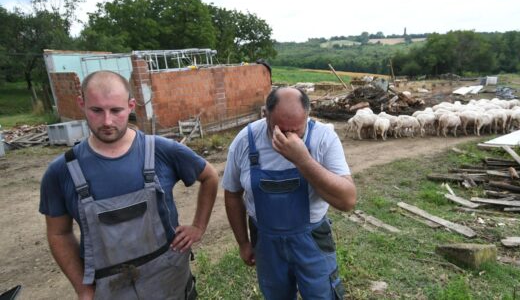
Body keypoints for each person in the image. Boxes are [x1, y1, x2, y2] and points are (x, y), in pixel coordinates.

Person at [39, 70, 218, 299]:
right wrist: (82, 288)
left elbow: (210, 176)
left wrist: (198, 227)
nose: (107, 121)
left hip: (169, 282)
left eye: (116, 110)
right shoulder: (61, 172)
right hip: (110, 290)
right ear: (81, 104)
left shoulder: (162, 151)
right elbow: (59, 233)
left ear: (131, 105)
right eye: (96, 110)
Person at [222, 87, 356, 299]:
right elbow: (231, 194)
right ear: (265, 114)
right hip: (266, 243)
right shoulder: (245, 141)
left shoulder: (323, 138)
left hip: (311, 240)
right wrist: (243, 242)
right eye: (281, 129)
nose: (288, 136)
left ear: (308, 116)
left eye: (296, 131)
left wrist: (302, 159)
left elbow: (347, 200)